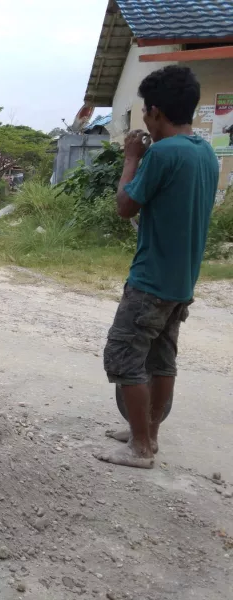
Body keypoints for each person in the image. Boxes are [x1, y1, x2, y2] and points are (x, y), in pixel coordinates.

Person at [96, 66, 218, 469]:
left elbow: (124, 207)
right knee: (161, 360)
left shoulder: (162, 153)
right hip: (181, 279)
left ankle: (140, 448)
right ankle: (147, 432)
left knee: (123, 354)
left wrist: (131, 159)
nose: (144, 118)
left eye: (146, 111)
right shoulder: (204, 152)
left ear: (156, 113)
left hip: (150, 279)